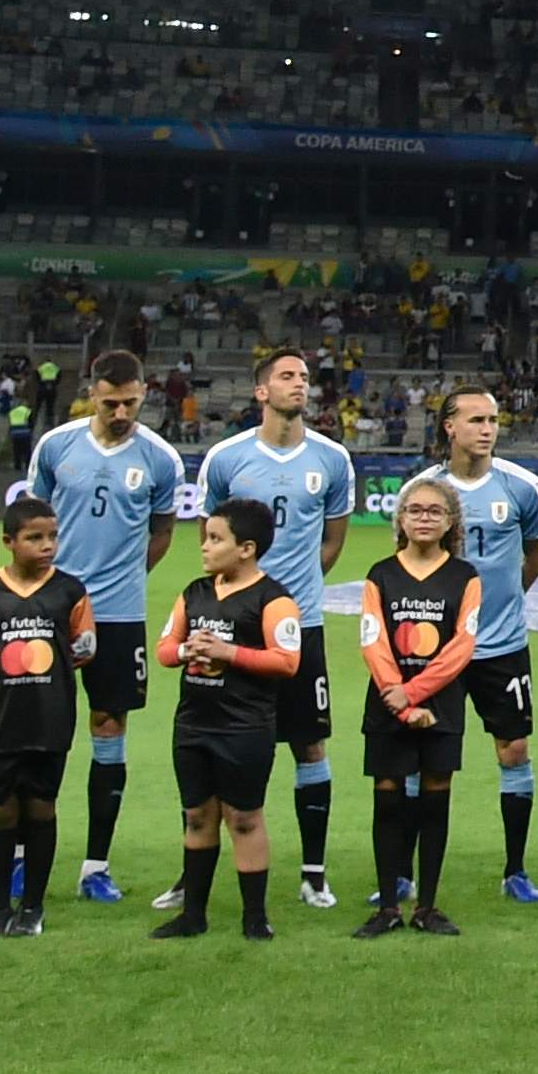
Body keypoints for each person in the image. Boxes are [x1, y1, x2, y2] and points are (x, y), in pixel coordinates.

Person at [17, 347, 180, 905]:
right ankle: (21, 856)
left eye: (130, 402)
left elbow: (162, 530)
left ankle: (95, 865)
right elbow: (32, 523)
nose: (121, 412)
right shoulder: (55, 446)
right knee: (37, 732)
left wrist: (126, 579)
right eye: (110, 403)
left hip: (119, 616)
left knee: (109, 728)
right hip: (50, 612)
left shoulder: (160, 458)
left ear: (143, 394)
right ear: (91, 394)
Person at [198, 353, 359, 908]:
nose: (300, 385)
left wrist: (292, 598)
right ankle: (197, 868)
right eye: (288, 376)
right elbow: (213, 538)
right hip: (234, 627)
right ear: (261, 389)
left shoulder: (333, 459)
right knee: (221, 746)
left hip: (302, 625)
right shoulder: (227, 457)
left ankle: (314, 872)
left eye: (306, 378)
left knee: (309, 745)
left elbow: (332, 541)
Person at [401, 381, 538, 900]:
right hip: (435, 650)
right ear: (449, 427)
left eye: (492, 421)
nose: (487, 430)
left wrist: (504, 603)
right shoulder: (423, 490)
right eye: (475, 421)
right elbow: (408, 564)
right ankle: (403, 873)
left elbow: (533, 556)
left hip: (502, 645)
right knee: (422, 759)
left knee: (513, 750)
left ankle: (515, 870)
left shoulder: (521, 487)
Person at [152, 496, 303, 941]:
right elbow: (165, 649)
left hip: (244, 727)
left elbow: (287, 661)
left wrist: (227, 653)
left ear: (247, 548)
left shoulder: (273, 600)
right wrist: (186, 651)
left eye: (216, 538)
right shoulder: (194, 593)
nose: (204, 546)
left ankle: (255, 919)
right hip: (193, 723)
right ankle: (192, 915)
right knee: (197, 815)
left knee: (244, 818)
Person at [354, 474, 481, 935]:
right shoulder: (380, 574)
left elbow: (462, 647)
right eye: (415, 510)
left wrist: (415, 691)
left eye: (434, 511)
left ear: (451, 522)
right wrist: (400, 700)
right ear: (400, 519)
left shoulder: (464, 577)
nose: (424, 518)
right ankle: (389, 906)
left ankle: (426, 906)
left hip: (440, 706)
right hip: (388, 705)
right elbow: (373, 640)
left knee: (434, 801)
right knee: (387, 802)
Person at [0, 495, 92, 935]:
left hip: (49, 715)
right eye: (34, 538)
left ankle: (32, 906)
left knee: (40, 806)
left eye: (52, 536)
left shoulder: (70, 590)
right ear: (8, 541)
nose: (47, 545)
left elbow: (82, 648)